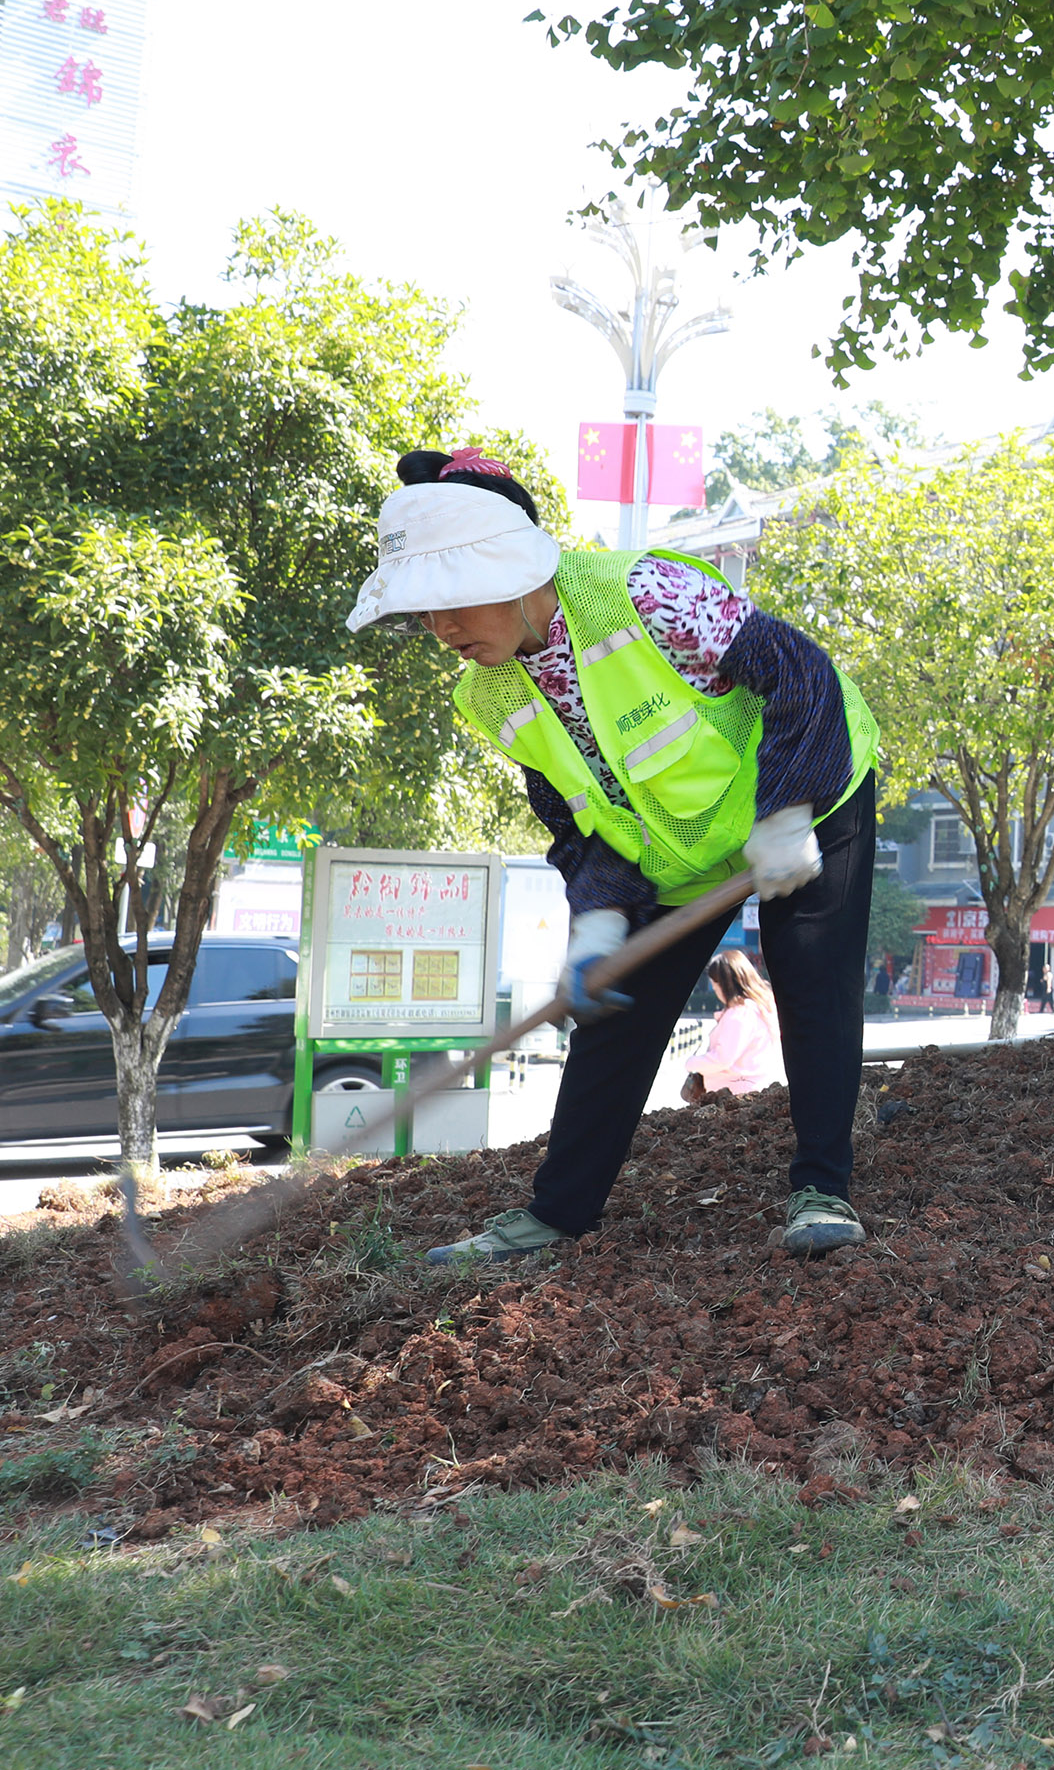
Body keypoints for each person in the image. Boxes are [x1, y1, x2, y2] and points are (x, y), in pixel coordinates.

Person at [346, 449, 884, 1263]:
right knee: (613, 1015)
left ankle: (822, 1187)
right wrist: (598, 917)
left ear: (519, 572)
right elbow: (572, 816)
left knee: (811, 982)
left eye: (453, 604)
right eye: (423, 614)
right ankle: (556, 1213)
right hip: (677, 854)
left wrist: (785, 814)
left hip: (809, 791)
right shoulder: (485, 690)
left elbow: (798, 673)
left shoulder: (643, 594)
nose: (442, 630)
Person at [685, 949, 783, 1103]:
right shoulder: (760, 1007)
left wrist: (691, 1063)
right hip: (752, 1090)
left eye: (715, 986)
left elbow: (723, 1059)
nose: (716, 991)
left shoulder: (739, 1014)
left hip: (733, 1096)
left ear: (724, 985)